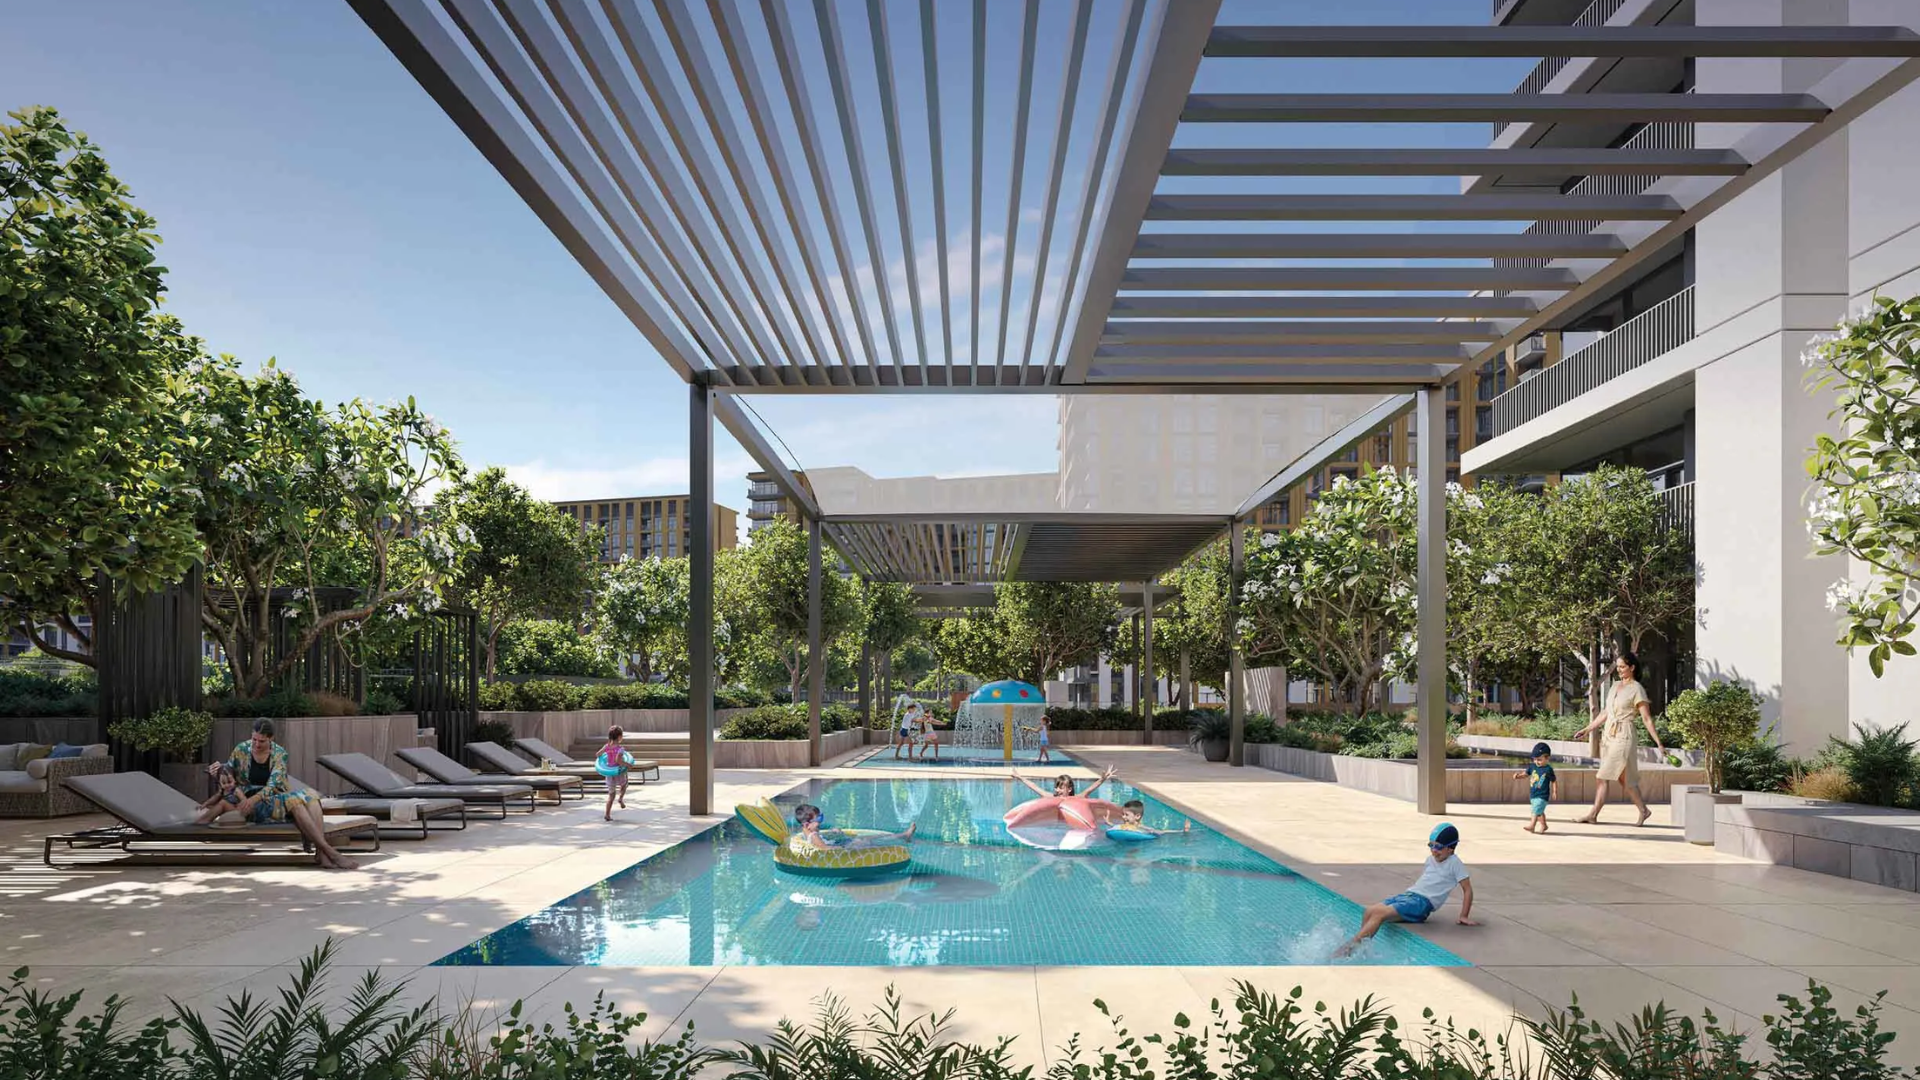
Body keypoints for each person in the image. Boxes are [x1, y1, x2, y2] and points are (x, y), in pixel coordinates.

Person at [215, 718, 359, 870]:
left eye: (262, 741)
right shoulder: (241, 749)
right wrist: (220, 771)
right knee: (296, 801)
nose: (257, 744)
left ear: (271, 739)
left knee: (311, 796)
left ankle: (321, 853)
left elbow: (273, 785)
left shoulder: (279, 753)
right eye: (254, 739)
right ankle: (329, 852)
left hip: (274, 796)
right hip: (253, 801)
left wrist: (253, 799)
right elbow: (228, 770)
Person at [1336, 823, 1474, 958]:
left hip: (1422, 904)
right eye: (1431, 845)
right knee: (1369, 910)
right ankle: (1363, 945)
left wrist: (1464, 915)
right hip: (1409, 895)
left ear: (1450, 848)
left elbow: (1467, 890)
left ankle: (1349, 948)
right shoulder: (1430, 859)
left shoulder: (1455, 864)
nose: (1433, 850)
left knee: (1379, 915)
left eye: (1438, 847)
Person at [1571, 651, 1666, 827]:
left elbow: (1646, 718)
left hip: (1624, 735)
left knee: (1602, 776)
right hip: (1609, 736)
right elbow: (1606, 713)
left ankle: (1593, 814)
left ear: (1632, 667)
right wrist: (1587, 729)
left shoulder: (1637, 689)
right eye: (1618, 667)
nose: (1619, 670)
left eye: (1623, 667)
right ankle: (1644, 811)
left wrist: (1658, 743)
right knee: (1625, 779)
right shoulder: (1614, 686)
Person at [793, 803, 915, 850]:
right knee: (867, 841)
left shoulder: (809, 831)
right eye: (819, 819)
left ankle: (904, 835)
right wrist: (845, 847)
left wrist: (832, 832)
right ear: (807, 824)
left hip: (841, 843)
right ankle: (902, 838)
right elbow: (825, 848)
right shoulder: (813, 835)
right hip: (844, 847)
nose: (821, 820)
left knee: (871, 838)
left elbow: (820, 837)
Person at [1513, 743, 1558, 834]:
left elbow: (1554, 781)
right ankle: (1544, 825)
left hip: (1543, 795)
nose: (1537, 762)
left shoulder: (1548, 769)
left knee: (1536, 809)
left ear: (1547, 758)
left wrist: (1554, 792)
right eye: (1535, 759)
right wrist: (1518, 776)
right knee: (1539, 811)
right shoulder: (1532, 766)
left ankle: (1532, 825)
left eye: (1539, 760)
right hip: (1533, 794)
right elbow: (1526, 774)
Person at [597, 725, 631, 822]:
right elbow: (618, 760)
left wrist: (602, 759)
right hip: (618, 772)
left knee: (611, 795)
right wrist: (628, 764)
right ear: (620, 737)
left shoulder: (606, 746)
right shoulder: (620, 749)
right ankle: (620, 798)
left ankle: (607, 814)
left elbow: (598, 754)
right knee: (624, 785)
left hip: (609, 773)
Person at [1109, 798, 1190, 835]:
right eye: (1123, 814)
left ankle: (1182, 831)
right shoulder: (1125, 825)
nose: (1123, 817)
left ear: (1137, 816)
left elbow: (1159, 831)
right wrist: (1108, 823)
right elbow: (1116, 827)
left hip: (1138, 841)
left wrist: (1153, 831)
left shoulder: (1138, 826)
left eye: (1126, 815)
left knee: (1162, 832)